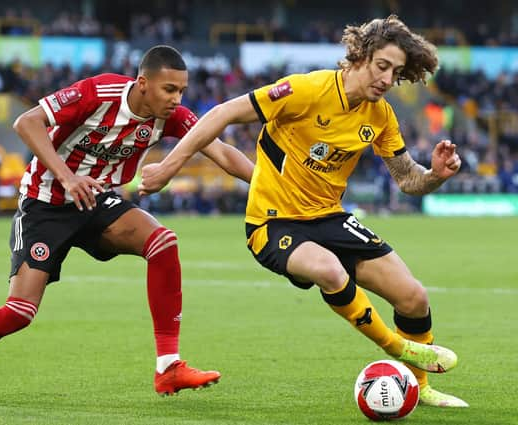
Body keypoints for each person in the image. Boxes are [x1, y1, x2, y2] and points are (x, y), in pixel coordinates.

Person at [139, 16, 468, 408]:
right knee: (329, 270)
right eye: (382, 66)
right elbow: (222, 113)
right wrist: (169, 166)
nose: (386, 78)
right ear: (359, 56)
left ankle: (421, 388)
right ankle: (399, 348)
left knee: (414, 297)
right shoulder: (306, 89)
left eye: (396, 73)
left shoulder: (380, 116)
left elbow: (408, 180)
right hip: (273, 222)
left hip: (329, 217)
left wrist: (436, 175)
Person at [0, 45, 255, 402]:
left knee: (162, 241)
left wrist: (270, 187)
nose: (177, 99)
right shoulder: (98, 93)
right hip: (46, 203)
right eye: (169, 90)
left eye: (181, 90)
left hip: (95, 201)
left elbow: (222, 151)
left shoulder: (172, 117)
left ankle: (168, 367)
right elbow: (26, 122)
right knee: (19, 312)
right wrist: (68, 177)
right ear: (143, 83)